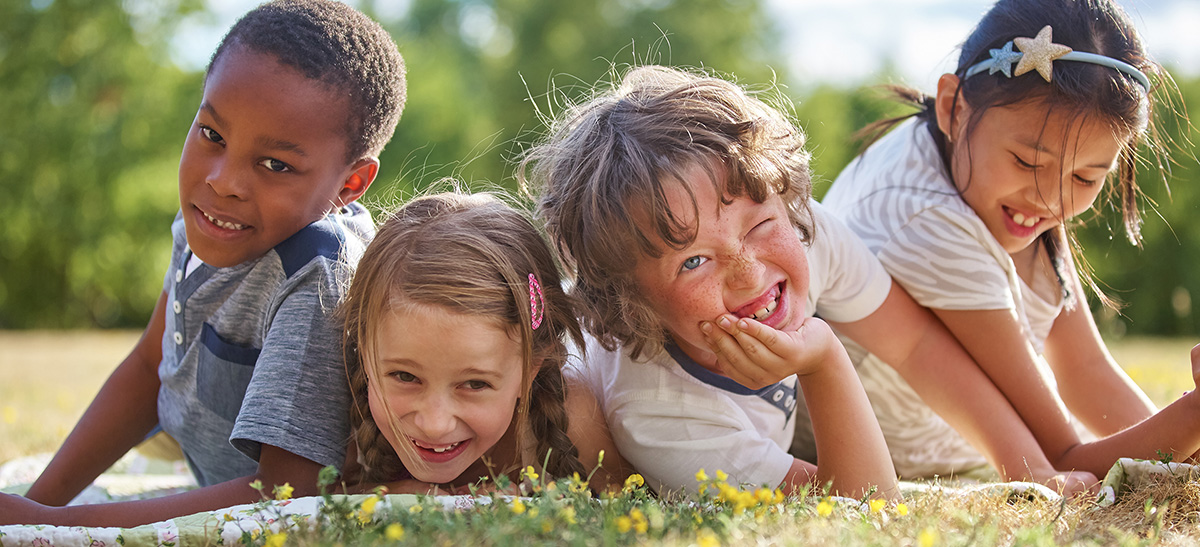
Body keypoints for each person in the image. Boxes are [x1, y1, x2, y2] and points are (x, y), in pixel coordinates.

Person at [523, 65, 1090, 499]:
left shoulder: (805, 232)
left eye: (760, 224)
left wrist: (1032, 470)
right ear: (630, 302)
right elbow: (862, 507)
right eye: (693, 261)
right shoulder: (660, 415)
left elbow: (915, 346)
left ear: (786, 201)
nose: (750, 273)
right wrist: (823, 359)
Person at [3, 0, 406, 526]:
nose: (222, 180)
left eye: (275, 164)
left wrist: (57, 526)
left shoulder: (318, 275)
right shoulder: (213, 218)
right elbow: (152, 369)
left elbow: (288, 494)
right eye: (212, 134)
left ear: (348, 185)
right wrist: (34, 506)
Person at [823, 0, 1200, 479]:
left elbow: (1084, 370)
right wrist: (1192, 417)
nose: (1052, 200)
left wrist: (1187, 443)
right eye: (1027, 162)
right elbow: (1062, 458)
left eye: (1086, 177)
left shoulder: (985, 170)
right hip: (909, 461)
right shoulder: (923, 221)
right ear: (952, 107)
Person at [338, 192, 629, 494]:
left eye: (475, 384)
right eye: (405, 377)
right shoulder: (345, 413)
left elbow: (625, 505)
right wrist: (402, 495)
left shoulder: (572, 417)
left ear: (531, 370)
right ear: (365, 353)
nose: (435, 424)